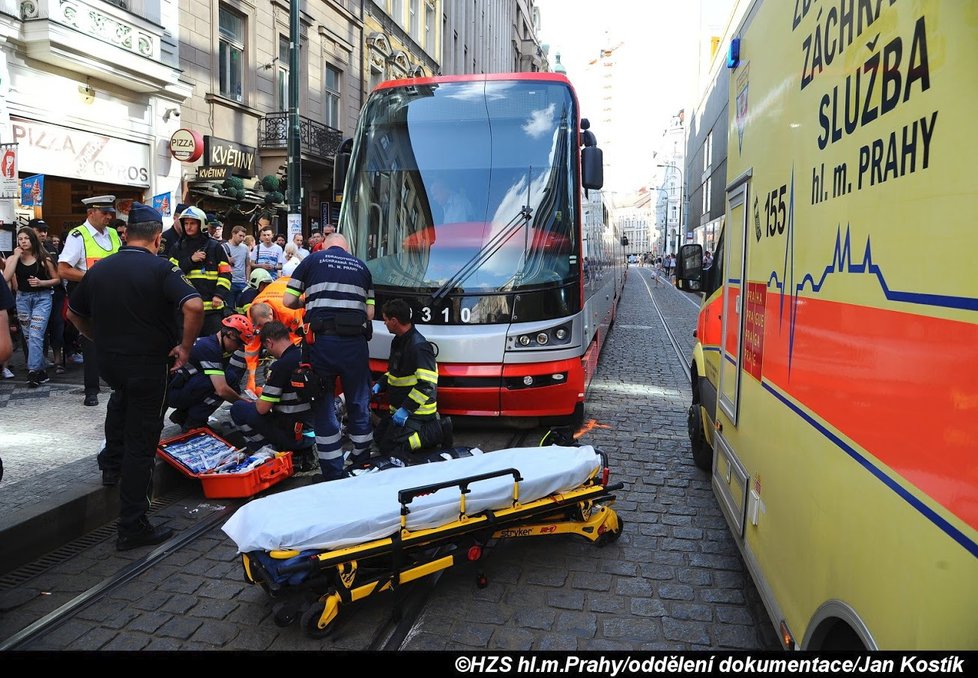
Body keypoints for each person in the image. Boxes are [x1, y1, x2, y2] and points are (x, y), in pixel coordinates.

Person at [66, 202, 204, 551]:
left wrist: (97, 337)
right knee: (142, 443)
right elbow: (194, 305)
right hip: (147, 364)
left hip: (112, 362)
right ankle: (133, 524)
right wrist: (185, 348)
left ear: (125, 235)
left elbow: (74, 313)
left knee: (120, 401)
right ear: (157, 238)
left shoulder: (100, 270)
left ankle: (111, 464)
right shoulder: (162, 269)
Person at [284, 232, 374, 480]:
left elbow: (288, 299)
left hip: (323, 343)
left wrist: (312, 301)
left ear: (325, 246)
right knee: (358, 402)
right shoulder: (362, 267)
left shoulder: (312, 261)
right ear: (347, 248)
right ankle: (362, 461)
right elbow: (369, 312)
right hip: (355, 344)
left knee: (323, 404)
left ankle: (333, 471)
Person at [58, 195, 123, 406]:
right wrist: (93, 277)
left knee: (117, 339)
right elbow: (63, 269)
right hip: (90, 292)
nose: (109, 217)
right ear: (90, 212)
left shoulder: (113, 233)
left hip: (113, 293)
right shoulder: (78, 236)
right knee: (91, 340)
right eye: (104, 212)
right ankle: (91, 390)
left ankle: (118, 383)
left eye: (111, 213)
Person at [229, 320, 316, 471]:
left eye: (266, 348)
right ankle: (302, 452)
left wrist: (259, 398)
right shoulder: (305, 356)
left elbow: (262, 409)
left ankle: (268, 451)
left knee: (239, 408)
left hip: (293, 435)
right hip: (314, 432)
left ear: (269, 342)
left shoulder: (281, 366)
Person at [372, 298, 453, 457]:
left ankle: (438, 431)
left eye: (386, 320)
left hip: (418, 413)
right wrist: (381, 383)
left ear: (394, 321)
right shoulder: (398, 341)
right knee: (379, 439)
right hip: (399, 410)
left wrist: (406, 410)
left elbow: (427, 385)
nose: (384, 323)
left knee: (393, 451)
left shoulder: (419, 347)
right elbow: (396, 372)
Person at [166, 314, 254, 431]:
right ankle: (194, 421)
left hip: (180, 389)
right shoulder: (210, 348)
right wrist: (246, 404)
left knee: (227, 378)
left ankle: (183, 415)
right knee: (226, 381)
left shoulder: (209, 343)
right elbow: (222, 390)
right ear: (230, 334)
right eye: (239, 343)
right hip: (175, 393)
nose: (238, 348)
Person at [2, 227, 61, 386]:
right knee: (29, 336)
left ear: (32, 240)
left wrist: (42, 282)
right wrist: (14, 257)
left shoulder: (44, 258)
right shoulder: (15, 258)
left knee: (35, 334)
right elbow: (6, 277)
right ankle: (41, 371)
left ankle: (33, 371)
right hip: (22, 299)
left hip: (42, 298)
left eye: (26, 238)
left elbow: (57, 279)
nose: (23, 241)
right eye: (20, 239)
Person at [167, 206, 232, 336]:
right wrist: (191, 260)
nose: (188, 227)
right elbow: (172, 273)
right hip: (186, 308)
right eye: (186, 223)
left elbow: (226, 273)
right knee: (187, 347)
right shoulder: (177, 248)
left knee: (214, 346)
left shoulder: (215, 247)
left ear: (201, 224)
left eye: (192, 223)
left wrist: (219, 294)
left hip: (212, 309)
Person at [223, 225, 250, 310]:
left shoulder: (245, 248)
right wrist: (226, 260)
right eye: (240, 236)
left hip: (242, 282)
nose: (242, 239)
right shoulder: (224, 247)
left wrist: (247, 279)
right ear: (233, 234)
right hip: (230, 281)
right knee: (229, 307)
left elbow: (248, 265)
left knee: (242, 308)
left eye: (243, 236)